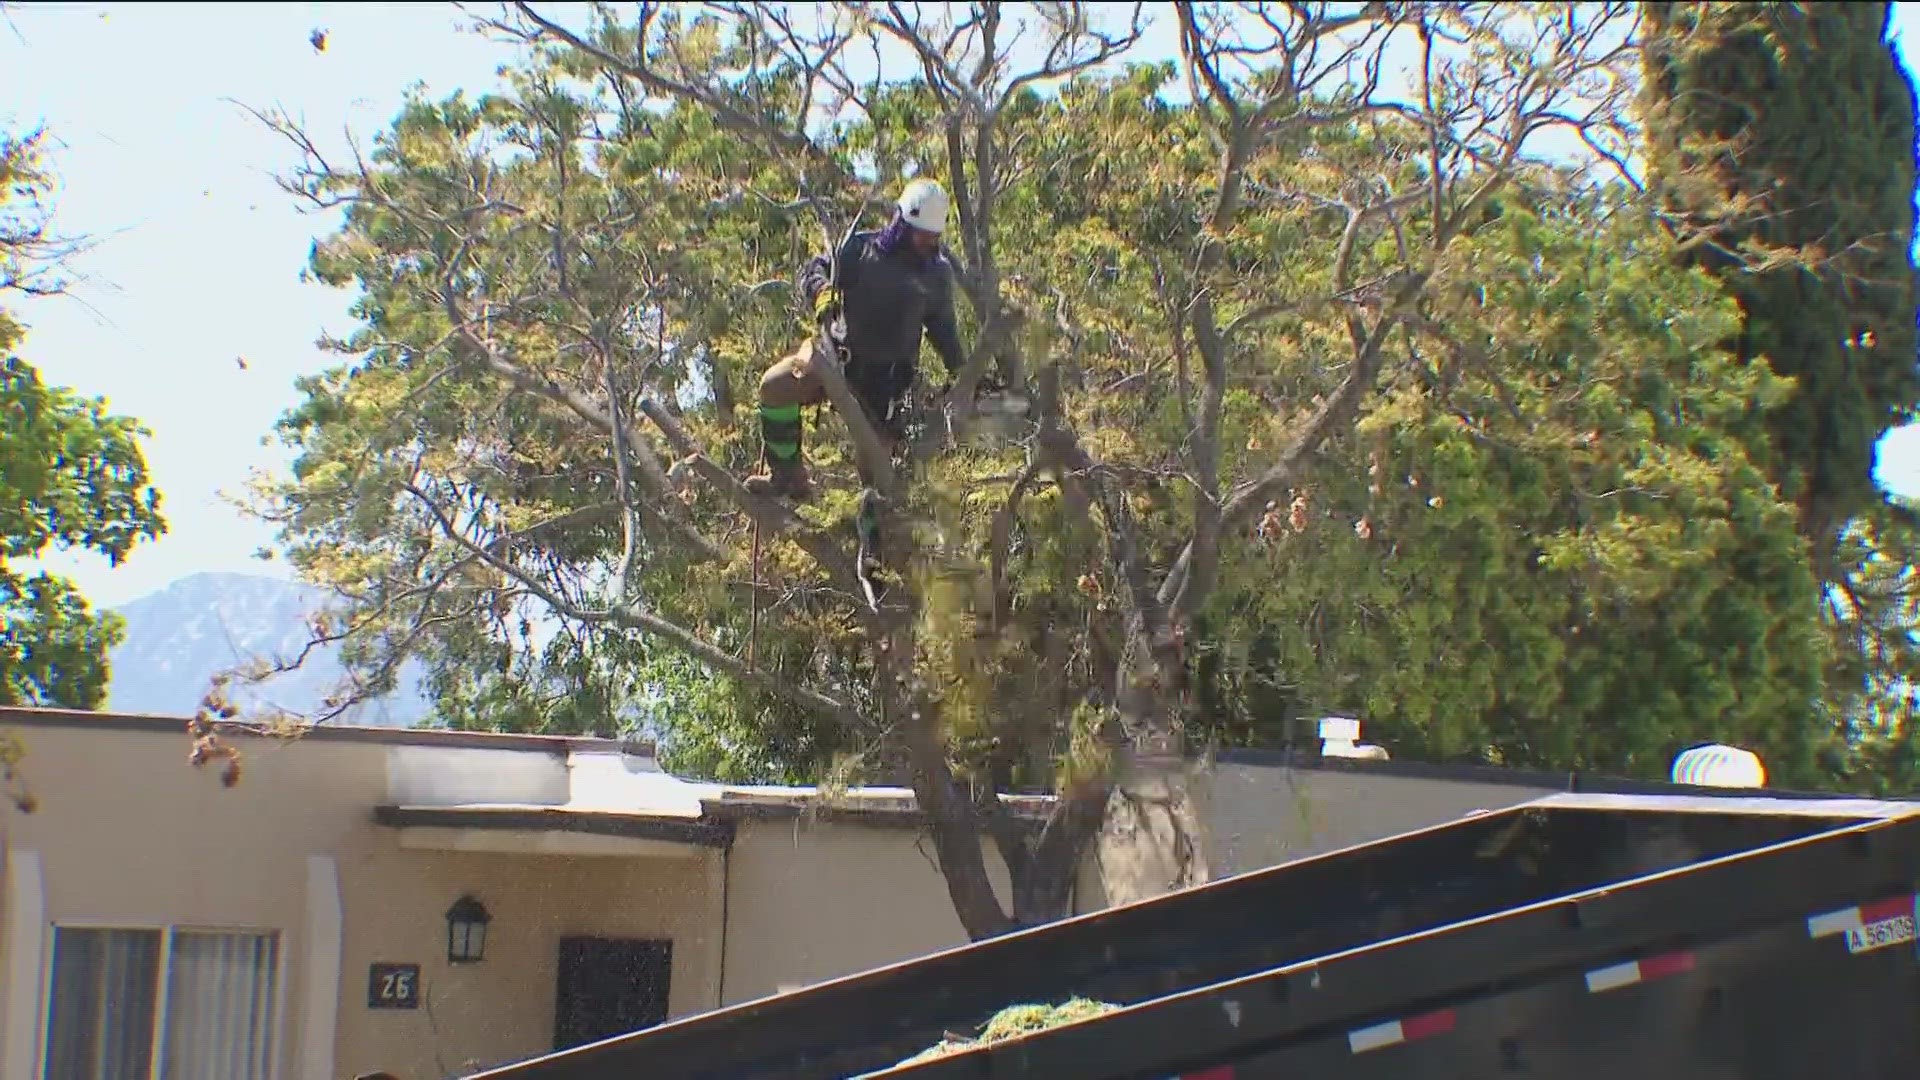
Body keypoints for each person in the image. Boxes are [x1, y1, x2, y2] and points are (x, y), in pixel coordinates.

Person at [746, 177, 969, 502]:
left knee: (876, 473)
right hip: (834, 359)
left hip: (885, 391)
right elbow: (814, 269)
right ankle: (787, 478)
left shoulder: (936, 275)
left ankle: (880, 537)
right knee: (774, 387)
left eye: (932, 237)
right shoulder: (860, 249)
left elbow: (945, 334)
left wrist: (964, 376)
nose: (925, 243)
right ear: (902, 222)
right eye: (920, 235)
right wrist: (822, 293)